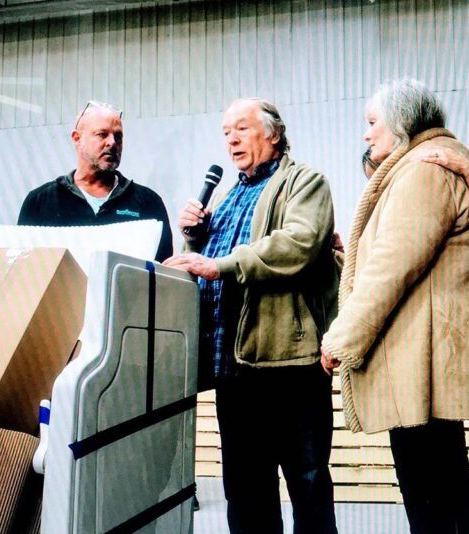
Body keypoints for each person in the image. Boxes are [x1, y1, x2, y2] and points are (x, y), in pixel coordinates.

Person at [164, 98, 339, 534]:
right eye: (226, 132)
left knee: (308, 485)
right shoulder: (226, 198)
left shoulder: (305, 182)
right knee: (245, 492)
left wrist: (218, 263)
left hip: (289, 364)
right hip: (235, 370)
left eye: (241, 128)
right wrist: (194, 240)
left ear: (273, 134)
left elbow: (298, 243)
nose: (232, 139)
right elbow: (206, 268)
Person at [321, 78, 469, 534]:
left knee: (427, 482)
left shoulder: (423, 170)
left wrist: (341, 338)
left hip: (419, 356)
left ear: (401, 122)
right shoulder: (429, 164)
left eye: (373, 122)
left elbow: (392, 268)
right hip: (422, 350)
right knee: (443, 471)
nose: (367, 133)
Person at [18, 100, 173, 262]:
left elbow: (163, 273)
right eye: (102, 134)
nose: (112, 143)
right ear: (77, 138)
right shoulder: (40, 202)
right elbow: (24, 271)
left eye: (118, 136)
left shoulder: (148, 203)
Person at [363, 146, 469, 251]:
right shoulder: (378, 213)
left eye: (385, 175)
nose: (380, 186)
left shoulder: (428, 176)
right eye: (374, 180)